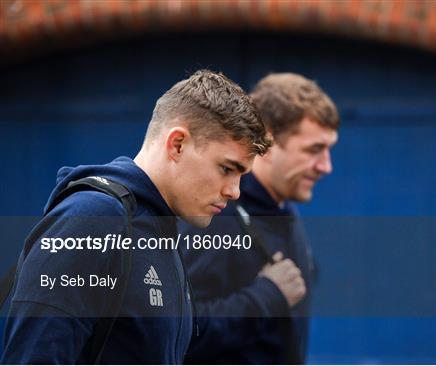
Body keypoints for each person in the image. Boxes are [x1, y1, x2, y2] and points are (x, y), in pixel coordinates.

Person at [1, 70, 271, 364]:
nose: (235, 192)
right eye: (226, 169)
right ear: (177, 144)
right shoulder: (94, 220)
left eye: (242, 175)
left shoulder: (161, 230)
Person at [183, 73, 339, 364]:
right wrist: (264, 298)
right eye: (314, 150)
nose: (326, 166)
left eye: (329, 149)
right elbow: (179, 330)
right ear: (266, 142)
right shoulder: (218, 215)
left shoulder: (284, 213)